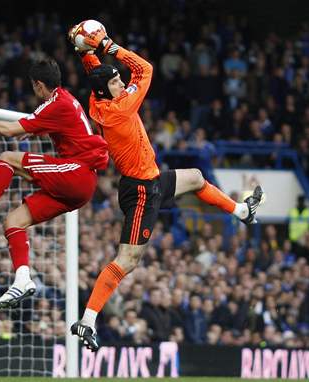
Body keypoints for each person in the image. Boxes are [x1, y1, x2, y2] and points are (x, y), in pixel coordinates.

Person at [68, 24, 264, 351]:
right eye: (116, 81)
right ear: (107, 91)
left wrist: (85, 50)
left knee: (198, 178)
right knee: (127, 260)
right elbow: (145, 69)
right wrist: (108, 44)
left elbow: (94, 70)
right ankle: (87, 320)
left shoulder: (97, 99)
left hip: (150, 179)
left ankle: (242, 211)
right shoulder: (120, 108)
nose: (122, 82)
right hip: (142, 190)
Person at [0, 58, 108, 309]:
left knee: (8, 158)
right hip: (80, 184)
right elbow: (24, 129)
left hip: (78, 173)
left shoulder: (56, 103)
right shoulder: (66, 99)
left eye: (34, 87)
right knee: (13, 221)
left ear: (39, 85)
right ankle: (22, 279)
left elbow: (11, 131)